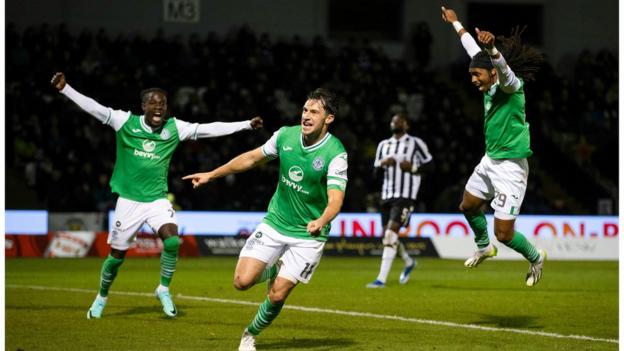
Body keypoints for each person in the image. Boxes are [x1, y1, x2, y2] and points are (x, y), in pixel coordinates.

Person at [50, 72, 263, 319]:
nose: (159, 106)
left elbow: (208, 129)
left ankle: (163, 288)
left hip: (156, 200)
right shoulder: (124, 122)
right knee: (116, 256)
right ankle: (102, 296)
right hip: (128, 201)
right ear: (143, 107)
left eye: (162, 103)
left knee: (172, 241)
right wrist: (66, 89)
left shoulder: (174, 128)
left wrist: (245, 124)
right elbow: (94, 108)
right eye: (153, 102)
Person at [183, 88, 347, 351]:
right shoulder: (285, 135)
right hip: (275, 223)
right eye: (305, 110)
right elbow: (251, 159)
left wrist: (321, 220)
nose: (306, 116)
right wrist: (211, 175)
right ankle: (272, 267)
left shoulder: (335, 153)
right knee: (241, 283)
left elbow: (336, 201)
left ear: (328, 119)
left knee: (277, 294)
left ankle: (249, 335)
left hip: (308, 234)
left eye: (314, 112)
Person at [441, 7, 546, 286]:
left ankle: (536, 258)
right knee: (468, 205)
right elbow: (471, 48)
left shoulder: (511, 86)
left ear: (492, 72)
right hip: (490, 160)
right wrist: (456, 23)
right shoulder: (488, 81)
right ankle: (484, 247)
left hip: (511, 167)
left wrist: (495, 52)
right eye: (471, 75)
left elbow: (503, 70)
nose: (473, 79)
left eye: (477, 74)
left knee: (505, 234)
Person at [367, 113, 433, 288]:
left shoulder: (415, 143)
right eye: (393, 120)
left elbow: (431, 165)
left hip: (406, 195)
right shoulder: (383, 145)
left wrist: (412, 167)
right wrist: (382, 164)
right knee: (388, 236)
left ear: (406, 125)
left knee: (390, 234)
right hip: (386, 195)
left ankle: (381, 279)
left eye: (399, 120)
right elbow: (374, 174)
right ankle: (408, 261)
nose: (395, 122)